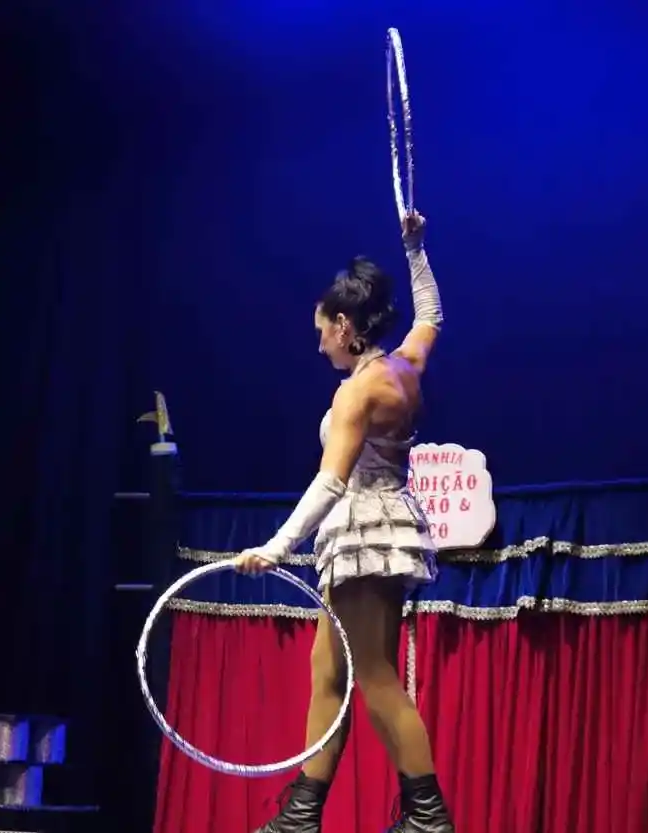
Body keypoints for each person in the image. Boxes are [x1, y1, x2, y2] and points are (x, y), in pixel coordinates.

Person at [233, 212, 453, 833]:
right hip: (372, 531)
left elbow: (331, 481)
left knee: (375, 674)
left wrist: (276, 547)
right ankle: (302, 815)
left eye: (322, 331)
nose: (319, 344)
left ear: (345, 327)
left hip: (365, 535)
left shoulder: (357, 393)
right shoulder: (403, 365)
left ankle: (429, 816)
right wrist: (415, 248)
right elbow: (431, 316)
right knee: (327, 674)